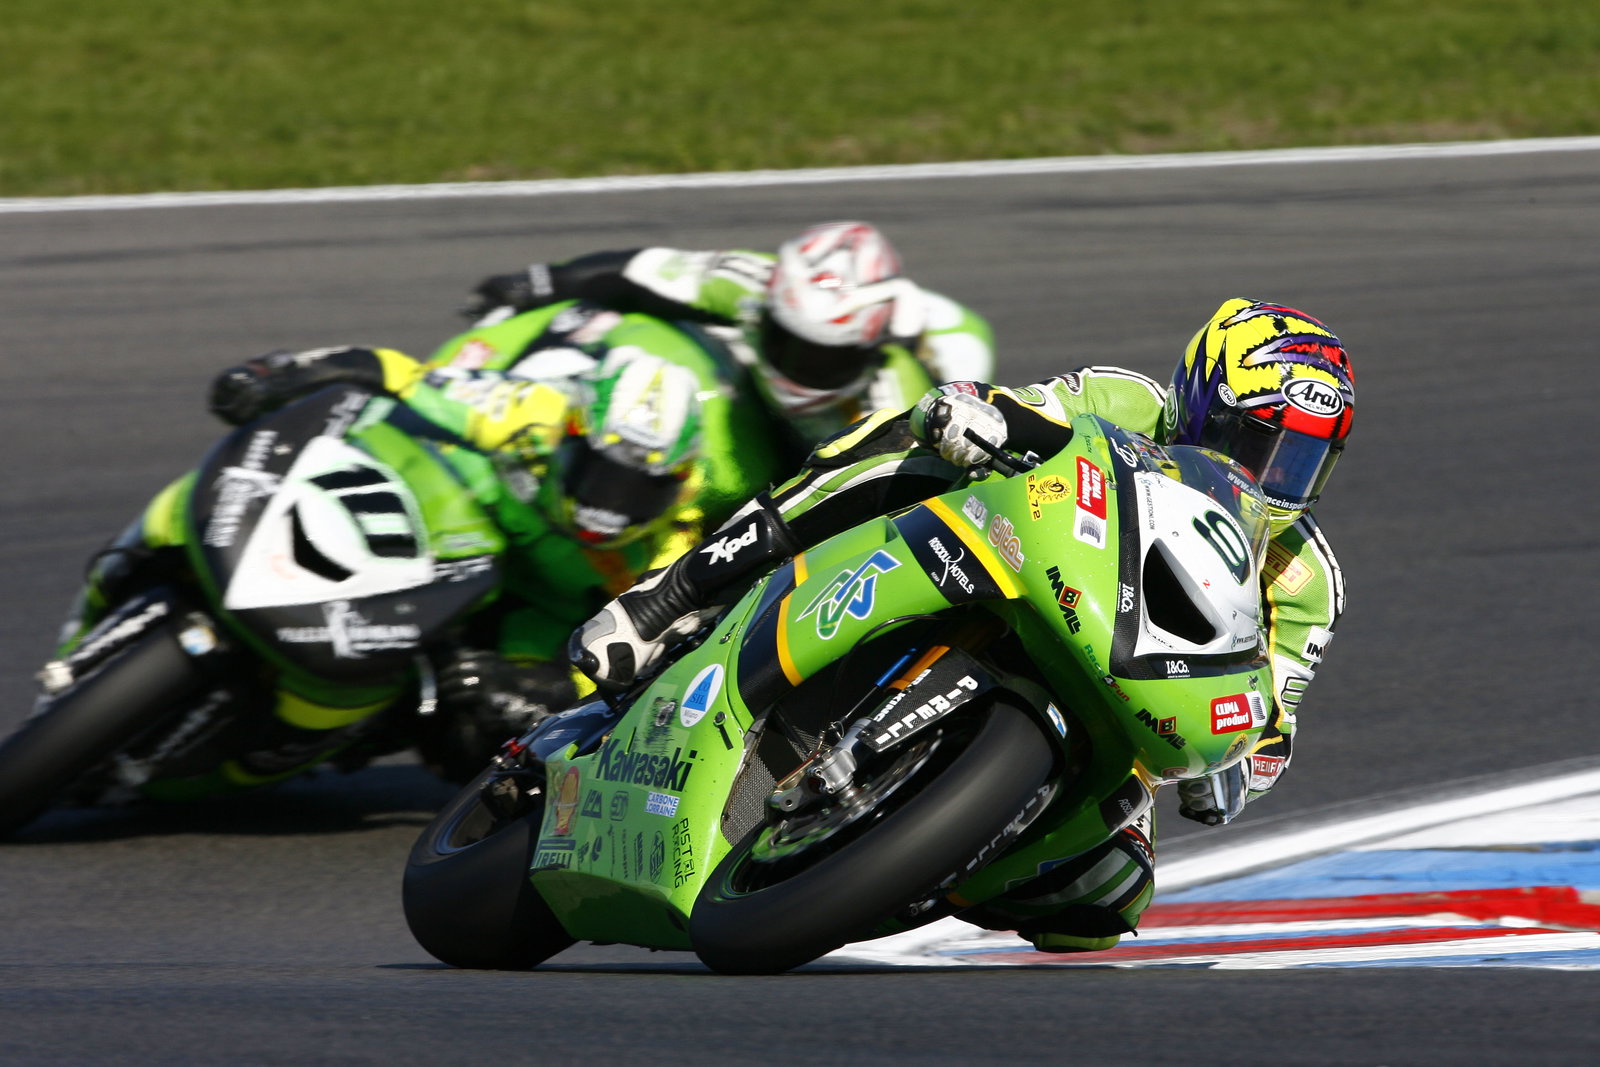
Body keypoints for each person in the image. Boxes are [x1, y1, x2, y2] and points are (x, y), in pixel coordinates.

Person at [568, 298, 1353, 952]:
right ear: (1198, 396)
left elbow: (1274, 713)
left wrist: (1239, 768)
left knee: (1105, 907)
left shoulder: (1306, 578)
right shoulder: (1129, 400)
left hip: (1126, 696)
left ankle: (921, 859)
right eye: (1254, 443)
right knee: (903, 443)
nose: (1266, 478)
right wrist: (984, 416)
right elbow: (1029, 412)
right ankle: (671, 596)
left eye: (1298, 464)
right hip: (1018, 562)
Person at [142, 342, 707, 780]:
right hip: (446, 545)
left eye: (639, 488)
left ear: (679, 481)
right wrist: (278, 373)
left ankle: (300, 742)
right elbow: (395, 373)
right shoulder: (532, 412)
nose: (608, 507)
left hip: (538, 620)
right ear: (572, 433)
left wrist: (550, 691)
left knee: (482, 746)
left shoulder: (673, 540)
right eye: (600, 474)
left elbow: (645, 658)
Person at [459, 220, 996, 458]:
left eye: (821, 357)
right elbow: (642, 270)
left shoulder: (893, 401)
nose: (797, 366)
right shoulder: (757, 284)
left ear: (866, 352)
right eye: (784, 339)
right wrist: (536, 282)